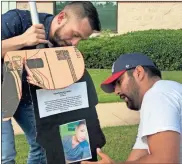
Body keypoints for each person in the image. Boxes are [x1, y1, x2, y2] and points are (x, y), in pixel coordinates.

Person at [2, 2, 105, 164]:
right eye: (75, 34)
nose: (74, 43)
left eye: (80, 39)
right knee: (5, 154)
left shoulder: (63, 47)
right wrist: (22, 40)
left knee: (43, 145)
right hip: (4, 90)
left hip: (27, 96)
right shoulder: (17, 20)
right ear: (61, 17)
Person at [81, 52, 182, 164]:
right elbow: (135, 158)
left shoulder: (157, 95)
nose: (116, 91)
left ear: (139, 73)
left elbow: (165, 161)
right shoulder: (165, 92)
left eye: (119, 82)